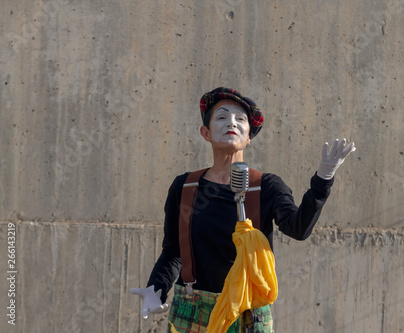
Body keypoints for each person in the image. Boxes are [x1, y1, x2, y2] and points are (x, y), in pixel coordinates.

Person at [131, 87, 356, 332]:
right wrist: (157, 289)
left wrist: (323, 179)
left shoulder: (266, 186)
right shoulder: (185, 187)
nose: (232, 123)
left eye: (241, 119)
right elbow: (174, 251)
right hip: (193, 310)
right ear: (205, 133)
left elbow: (298, 229)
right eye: (222, 117)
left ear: (249, 137)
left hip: (249, 313)